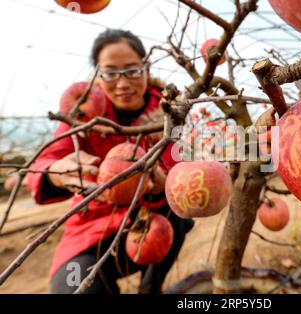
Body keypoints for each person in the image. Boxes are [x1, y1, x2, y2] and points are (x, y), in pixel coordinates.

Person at [27, 29, 194, 294]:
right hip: (91, 230)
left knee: (179, 217)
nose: (123, 83)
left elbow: (176, 174)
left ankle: (151, 288)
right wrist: (54, 173)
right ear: (97, 75)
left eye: (131, 70)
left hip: (148, 220)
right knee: (72, 287)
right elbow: (44, 162)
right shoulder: (83, 114)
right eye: (110, 73)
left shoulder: (169, 114)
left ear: (146, 68)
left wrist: (161, 185)